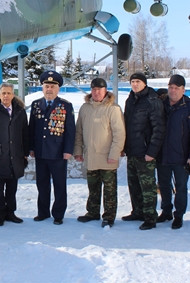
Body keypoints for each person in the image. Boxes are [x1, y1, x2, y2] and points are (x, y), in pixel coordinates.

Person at [74, 78, 125, 228]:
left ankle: (109, 216)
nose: (96, 92)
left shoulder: (113, 108)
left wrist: (114, 154)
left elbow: (119, 134)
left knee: (109, 190)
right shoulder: (85, 108)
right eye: (94, 89)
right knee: (93, 187)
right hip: (90, 156)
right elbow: (79, 132)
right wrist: (78, 151)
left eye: (100, 90)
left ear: (105, 91)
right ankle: (92, 212)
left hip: (107, 157)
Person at [29, 70, 75, 225]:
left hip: (58, 152)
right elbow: (32, 129)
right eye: (46, 86)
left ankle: (58, 214)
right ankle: (43, 212)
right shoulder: (36, 105)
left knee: (59, 184)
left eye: (52, 87)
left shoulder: (65, 106)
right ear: (42, 88)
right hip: (40, 152)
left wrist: (68, 150)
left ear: (58, 89)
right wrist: (31, 148)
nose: (49, 89)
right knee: (42, 184)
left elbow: (70, 130)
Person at [156, 75, 190, 229]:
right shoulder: (161, 105)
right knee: (164, 185)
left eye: (176, 88)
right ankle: (166, 211)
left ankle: (179, 215)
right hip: (163, 154)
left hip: (181, 156)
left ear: (183, 90)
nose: (173, 91)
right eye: (171, 87)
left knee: (181, 186)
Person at [0, 82, 29, 226]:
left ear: (13, 94)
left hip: (16, 155)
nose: (6, 96)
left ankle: (11, 213)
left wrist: (25, 152)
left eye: (9, 93)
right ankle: (0, 214)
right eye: (3, 93)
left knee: (12, 188)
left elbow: (25, 133)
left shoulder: (20, 111)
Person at [122, 72, 165, 230]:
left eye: (138, 81)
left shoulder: (152, 101)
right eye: (132, 81)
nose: (135, 84)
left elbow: (158, 128)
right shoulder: (131, 100)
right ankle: (138, 211)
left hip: (145, 152)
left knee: (147, 187)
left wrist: (152, 151)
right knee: (134, 184)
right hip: (132, 151)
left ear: (144, 83)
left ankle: (150, 217)